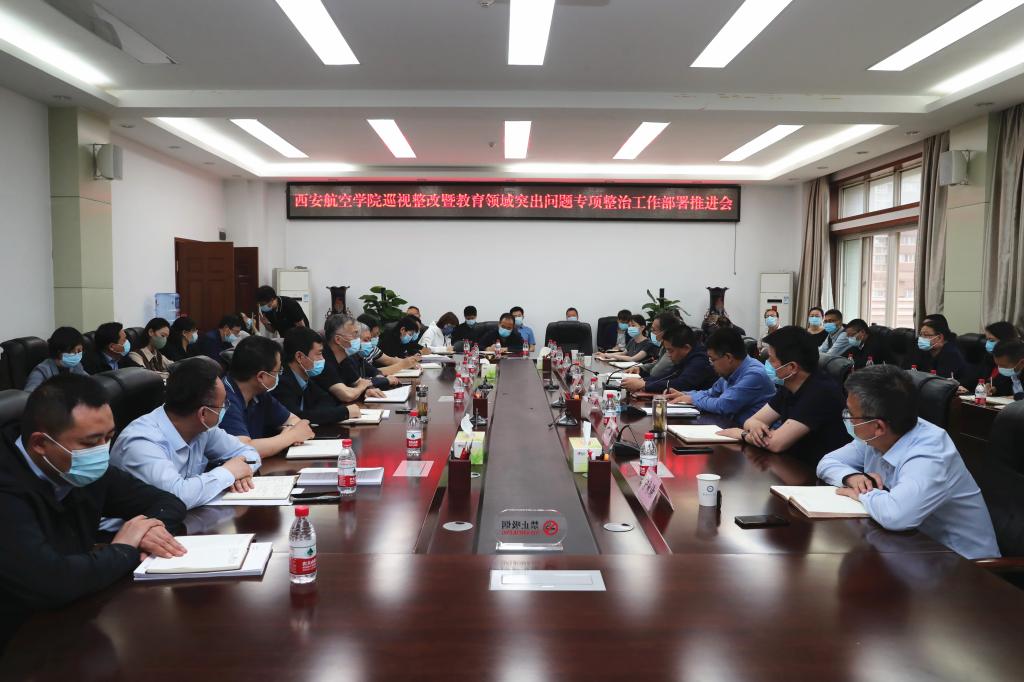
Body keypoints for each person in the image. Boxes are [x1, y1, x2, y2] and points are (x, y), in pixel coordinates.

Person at [0, 375, 187, 645]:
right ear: (40, 444)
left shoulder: (76, 467)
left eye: (108, 438)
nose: (101, 452)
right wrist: (124, 549)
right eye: (90, 443)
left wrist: (145, 531)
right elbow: (50, 582)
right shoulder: (7, 487)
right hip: (18, 639)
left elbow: (167, 503)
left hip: (75, 617)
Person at [816, 365, 1000, 560]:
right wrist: (852, 477)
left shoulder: (931, 452)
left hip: (963, 565)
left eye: (851, 414)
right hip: (912, 550)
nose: (848, 418)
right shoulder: (877, 436)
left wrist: (864, 493)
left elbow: (896, 516)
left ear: (878, 426)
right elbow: (827, 463)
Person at [110, 358, 261, 509]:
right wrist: (228, 473)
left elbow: (249, 453)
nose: (225, 408)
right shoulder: (142, 442)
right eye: (223, 405)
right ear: (203, 413)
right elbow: (176, 497)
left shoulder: (203, 429)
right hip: (131, 522)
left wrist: (240, 474)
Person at [719, 326, 850, 464]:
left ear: (792, 367)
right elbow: (751, 421)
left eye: (771, 359)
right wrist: (754, 428)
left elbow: (776, 443)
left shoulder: (821, 392)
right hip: (793, 462)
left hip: (818, 471)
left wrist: (742, 434)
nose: (767, 363)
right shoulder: (789, 386)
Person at [221, 336, 315, 458]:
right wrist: (291, 436)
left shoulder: (259, 393)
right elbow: (243, 450)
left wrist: (291, 431)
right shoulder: (224, 399)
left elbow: (294, 420)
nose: (279, 376)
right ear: (261, 376)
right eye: (278, 371)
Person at [669, 328, 776, 425]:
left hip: (757, 436)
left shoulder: (754, 375)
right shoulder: (730, 372)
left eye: (712, 359)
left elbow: (723, 405)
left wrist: (692, 399)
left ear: (728, 357)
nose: (711, 364)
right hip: (734, 428)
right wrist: (684, 395)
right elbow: (711, 393)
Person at [276, 327, 361, 424]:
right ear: (299, 357)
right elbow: (296, 417)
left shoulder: (307, 379)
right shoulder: (281, 382)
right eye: (319, 354)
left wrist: (319, 414)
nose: (322, 359)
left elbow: (327, 402)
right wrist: (345, 412)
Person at [621, 325, 715, 394]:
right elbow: (668, 376)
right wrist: (642, 381)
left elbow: (681, 384)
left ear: (686, 348)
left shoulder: (700, 360)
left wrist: (644, 385)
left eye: (670, 350)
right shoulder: (686, 357)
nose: (668, 355)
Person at [315, 314, 387, 403]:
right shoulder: (323, 361)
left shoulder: (345, 358)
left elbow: (359, 381)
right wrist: (362, 387)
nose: (358, 339)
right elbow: (347, 395)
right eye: (355, 335)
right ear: (338, 339)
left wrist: (367, 389)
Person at [24, 327, 89, 392]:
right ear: (60, 351)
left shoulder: (76, 366)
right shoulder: (42, 371)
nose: (78, 355)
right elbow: (28, 395)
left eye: (80, 351)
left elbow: (90, 383)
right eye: (75, 351)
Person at [624, 312, 682, 381]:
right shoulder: (664, 346)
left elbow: (656, 372)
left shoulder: (673, 349)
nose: (651, 333)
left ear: (666, 332)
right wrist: (640, 368)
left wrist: (643, 382)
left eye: (654, 330)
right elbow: (658, 363)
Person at [907, 317, 966, 382]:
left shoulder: (951, 354)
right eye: (921, 335)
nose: (921, 338)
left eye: (926, 335)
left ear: (940, 337)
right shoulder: (925, 351)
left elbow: (941, 382)